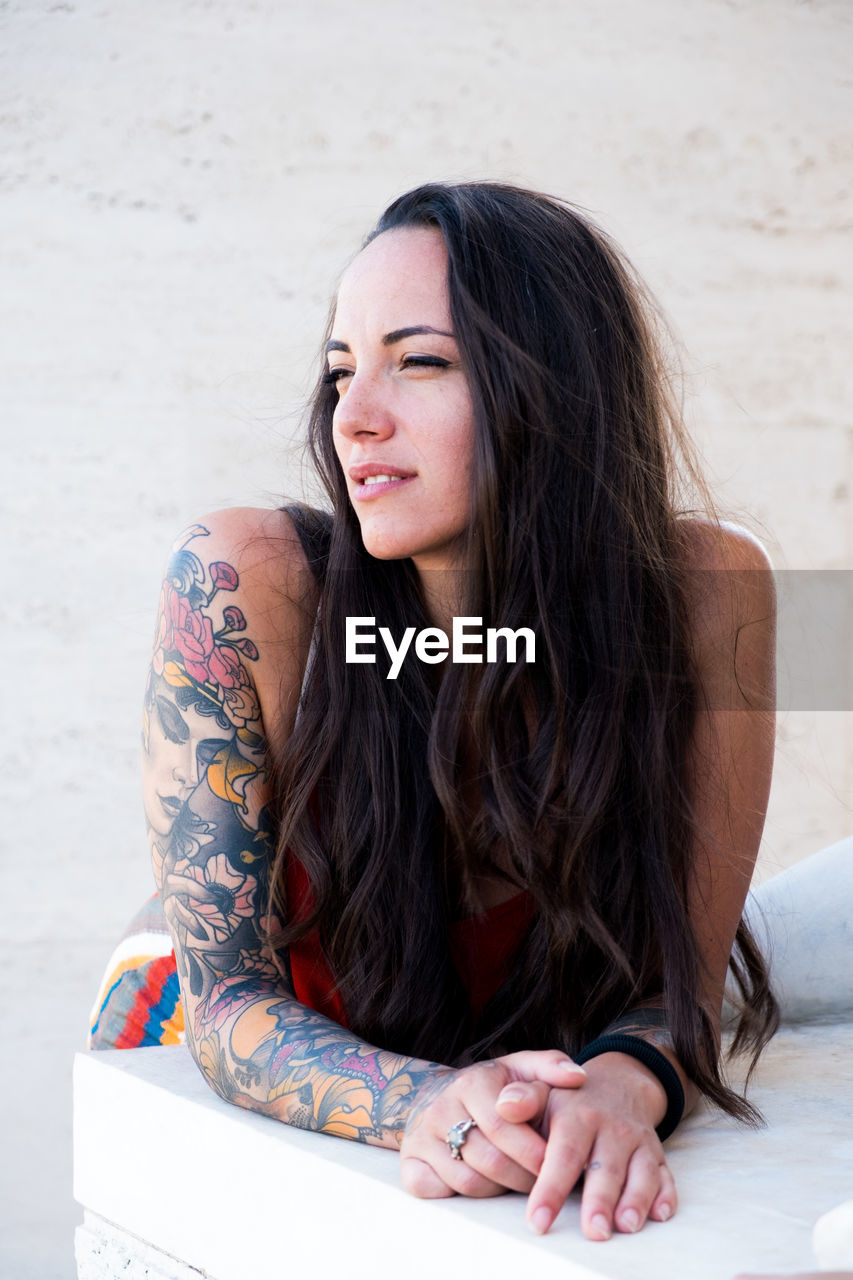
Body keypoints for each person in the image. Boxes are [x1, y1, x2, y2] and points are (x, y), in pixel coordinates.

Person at [90, 180, 778, 1242]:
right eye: (339, 369)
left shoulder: (706, 595)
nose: (353, 415)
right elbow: (225, 1008)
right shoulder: (249, 582)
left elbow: (677, 981)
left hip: (505, 1082)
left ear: (550, 387)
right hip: (207, 1046)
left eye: (418, 361)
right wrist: (423, 1099)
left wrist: (623, 1083)